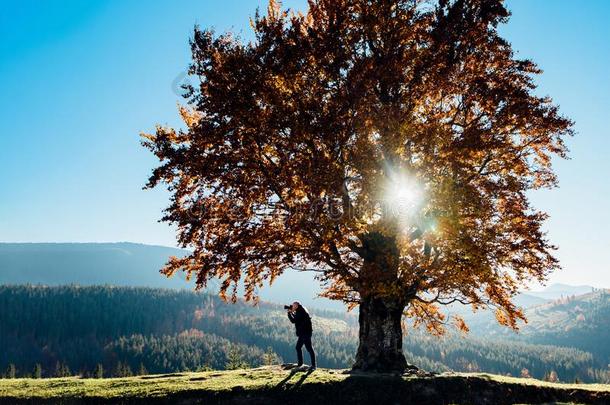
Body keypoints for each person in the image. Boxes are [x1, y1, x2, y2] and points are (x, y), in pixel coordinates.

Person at [286, 301, 316, 370]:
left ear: (296, 305)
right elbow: (298, 319)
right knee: (298, 347)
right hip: (304, 332)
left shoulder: (300, 311)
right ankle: (300, 363)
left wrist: (289, 313)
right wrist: (292, 312)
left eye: (293, 306)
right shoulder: (301, 309)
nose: (292, 307)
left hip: (305, 333)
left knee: (309, 348)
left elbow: (293, 321)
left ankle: (313, 366)